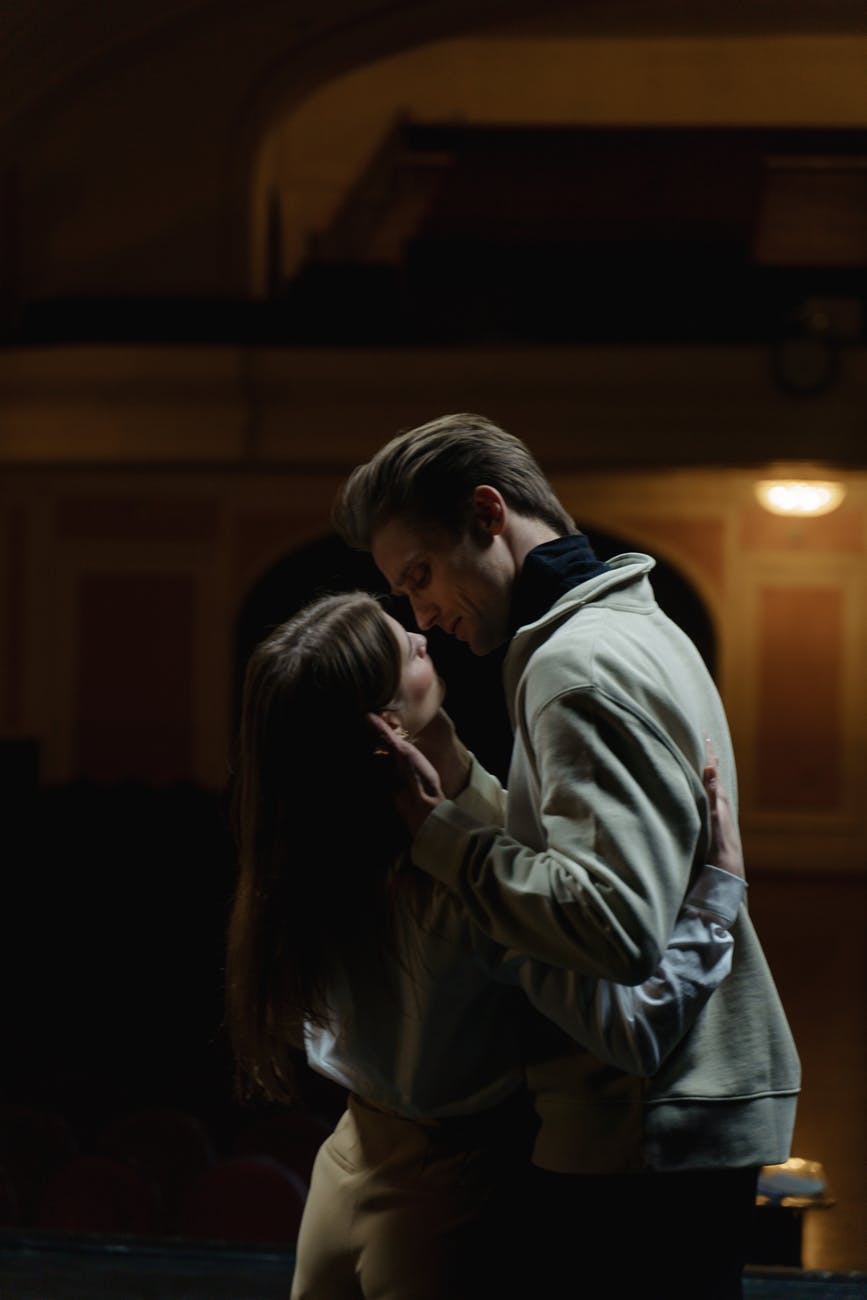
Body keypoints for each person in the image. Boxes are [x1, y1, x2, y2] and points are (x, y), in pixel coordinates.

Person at [334, 413, 801, 1300]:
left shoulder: (573, 667)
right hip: (667, 1112)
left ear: (486, 513)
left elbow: (611, 927)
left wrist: (439, 839)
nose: (420, 612)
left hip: (644, 1132)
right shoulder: (633, 626)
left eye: (419, 576)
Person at [226, 589, 747, 1300]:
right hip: (446, 1202)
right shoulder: (454, 881)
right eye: (396, 645)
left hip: (343, 1169)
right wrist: (717, 891)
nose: (418, 633)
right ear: (383, 725)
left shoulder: (313, 853)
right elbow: (633, 1026)